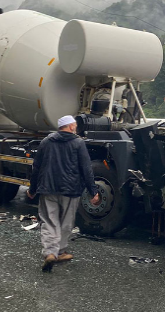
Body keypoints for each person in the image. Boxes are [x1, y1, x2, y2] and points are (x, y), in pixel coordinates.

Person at [27, 115, 100, 272]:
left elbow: (36, 167)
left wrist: (32, 189)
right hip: (71, 190)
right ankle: (59, 251)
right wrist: (93, 191)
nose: (75, 126)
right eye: (74, 124)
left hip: (48, 188)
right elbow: (86, 168)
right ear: (70, 126)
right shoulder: (78, 143)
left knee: (48, 221)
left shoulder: (46, 141)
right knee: (66, 222)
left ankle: (50, 253)